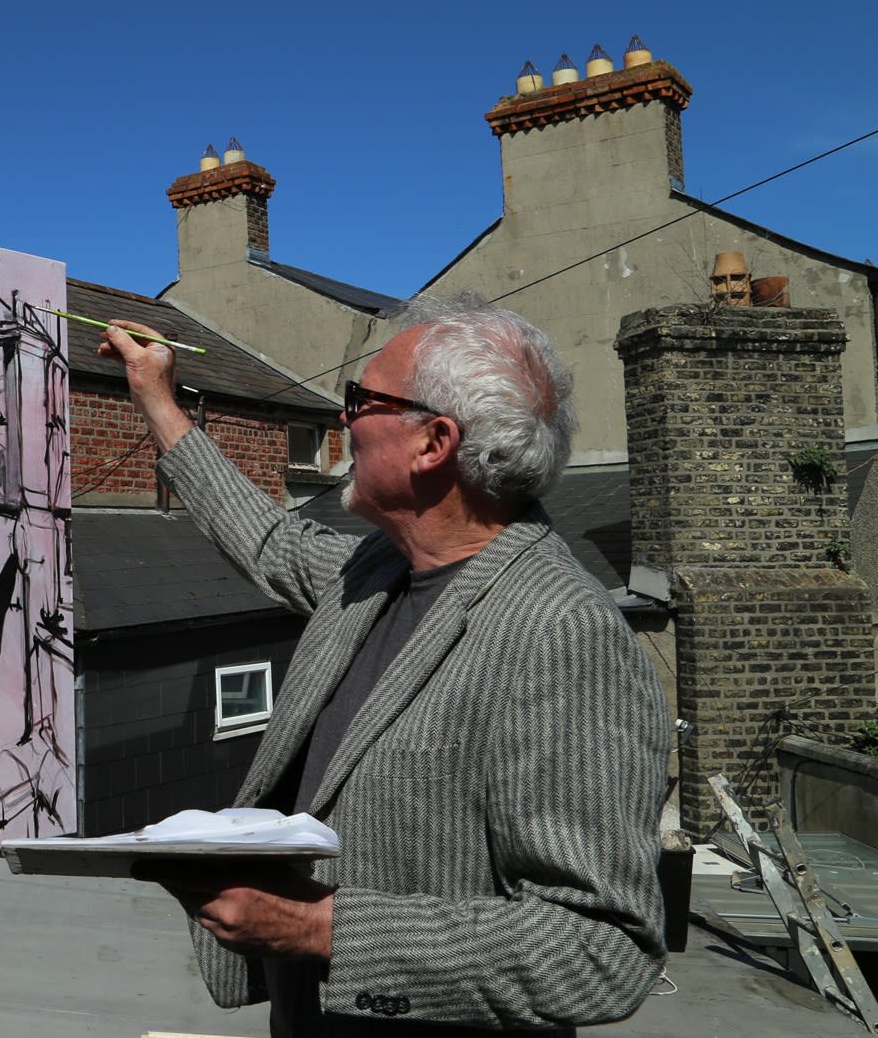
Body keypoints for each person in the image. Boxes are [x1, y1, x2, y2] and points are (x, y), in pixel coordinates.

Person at [98, 293, 669, 1037]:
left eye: (362, 400)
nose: (343, 418)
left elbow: (601, 948)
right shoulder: (379, 568)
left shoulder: (560, 631)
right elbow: (268, 541)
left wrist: (320, 929)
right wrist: (156, 397)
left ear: (433, 442)